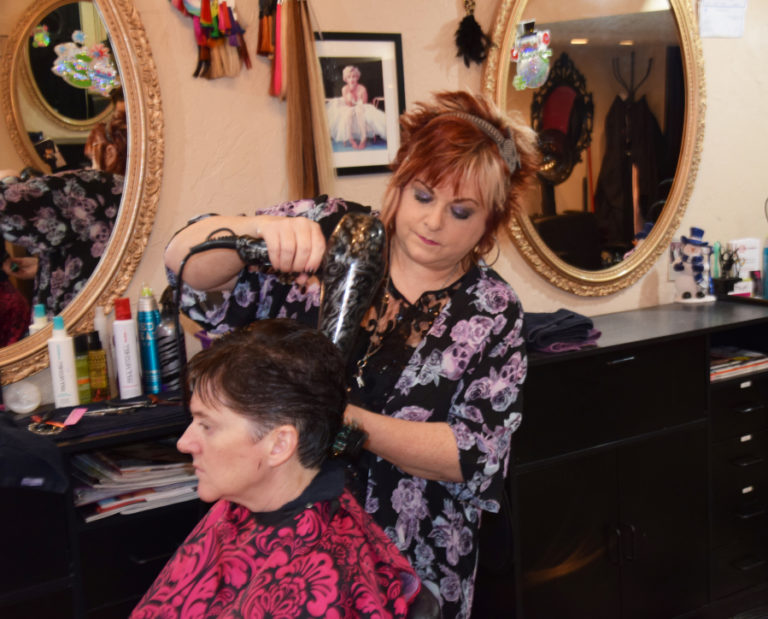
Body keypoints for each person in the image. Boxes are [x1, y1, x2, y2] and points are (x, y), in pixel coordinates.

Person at [164, 90, 539, 618]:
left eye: (461, 211)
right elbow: (187, 268)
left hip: (411, 555)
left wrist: (343, 417)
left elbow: (472, 456)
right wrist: (257, 233)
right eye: (423, 196)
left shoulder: (493, 310)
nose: (434, 223)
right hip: (281, 543)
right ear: (400, 182)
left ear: (490, 224)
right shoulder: (335, 230)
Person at [130, 318, 421, 619]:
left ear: (279, 444)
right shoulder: (242, 506)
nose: (184, 443)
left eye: (207, 425)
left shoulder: (319, 582)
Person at [0, 102, 127, 316]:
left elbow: (7, 208)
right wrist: (45, 265)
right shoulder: (135, 194)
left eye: (92, 160)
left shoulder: (94, 186)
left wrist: (7, 177)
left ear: (111, 152)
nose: (89, 168)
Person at [326, 64, 387, 150]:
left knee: (358, 110)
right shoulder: (345, 89)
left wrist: (358, 100)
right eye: (349, 77)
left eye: (354, 77)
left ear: (357, 77)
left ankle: (363, 137)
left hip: (362, 107)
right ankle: (350, 139)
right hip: (349, 107)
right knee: (349, 112)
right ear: (346, 79)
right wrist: (350, 94)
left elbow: (364, 102)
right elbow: (348, 104)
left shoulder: (362, 88)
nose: (352, 79)